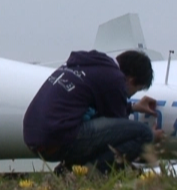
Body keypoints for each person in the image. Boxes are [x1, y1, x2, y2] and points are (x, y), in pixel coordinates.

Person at [23, 49, 163, 174]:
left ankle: (68, 171)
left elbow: (99, 112)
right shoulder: (115, 78)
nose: (130, 95)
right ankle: (86, 174)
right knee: (144, 134)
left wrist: (132, 107)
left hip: (35, 138)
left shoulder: (87, 66)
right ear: (131, 80)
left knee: (94, 130)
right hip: (58, 139)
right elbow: (119, 129)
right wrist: (152, 136)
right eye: (137, 90)